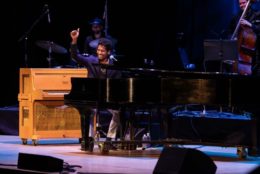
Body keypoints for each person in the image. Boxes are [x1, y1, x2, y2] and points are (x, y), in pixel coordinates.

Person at [70, 28, 121, 151]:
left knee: (117, 112)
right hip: (93, 96)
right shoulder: (91, 61)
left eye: (102, 51)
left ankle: (109, 139)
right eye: (98, 50)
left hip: (108, 97)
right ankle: (89, 139)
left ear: (108, 52)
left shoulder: (115, 67)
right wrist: (74, 40)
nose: (99, 52)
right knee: (89, 111)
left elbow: (118, 84)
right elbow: (75, 56)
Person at [227, 0, 260, 75]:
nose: (242, 5)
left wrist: (251, 25)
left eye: (243, 3)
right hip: (239, 53)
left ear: (249, 3)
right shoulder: (237, 16)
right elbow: (229, 30)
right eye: (240, 4)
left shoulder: (257, 14)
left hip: (255, 53)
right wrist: (233, 37)